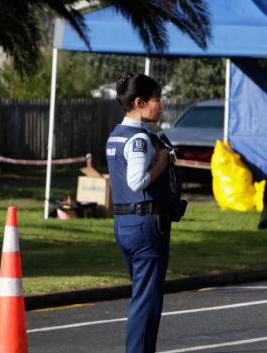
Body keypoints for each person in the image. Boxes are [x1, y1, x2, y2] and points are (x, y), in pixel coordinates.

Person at [107, 73, 187, 353]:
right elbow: (137, 181)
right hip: (146, 226)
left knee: (143, 298)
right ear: (139, 103)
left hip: (125, 224)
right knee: (147, 303)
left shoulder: (116, 135)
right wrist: (162, 163)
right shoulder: (138, 139)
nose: (161, 105)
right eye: (157, 100)